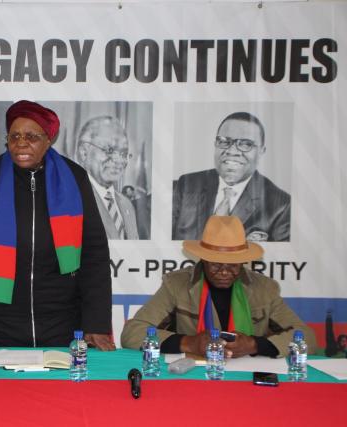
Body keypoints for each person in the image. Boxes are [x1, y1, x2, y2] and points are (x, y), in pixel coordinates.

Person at [0, 100, 115, 350]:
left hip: (62, 325)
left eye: (31, 136)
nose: (21, 143)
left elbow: (94, 254)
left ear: (49, 140)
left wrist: (97, 325)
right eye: (14, 136)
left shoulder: (74, 178)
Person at [121, 215, 316, 358]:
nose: (224, 272)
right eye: (215, 264)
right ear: (203, 260)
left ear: (243, 262)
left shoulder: (264, 289)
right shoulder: (176, 285)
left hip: (247, 380)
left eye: (232, 265)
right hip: (193, 379)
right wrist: (189, 343)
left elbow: (307, 337)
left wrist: (255, 345)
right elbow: (132, 332)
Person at [172, 112, 290, 242]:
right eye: (224, 141)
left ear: (261, 151)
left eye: (246, 144)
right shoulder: (186, 184)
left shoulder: (280, 205)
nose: (232, 151)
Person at [76, 116, 150, 240]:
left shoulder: (127, 205)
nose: (118, 160)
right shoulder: (71, 200)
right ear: (84, 152)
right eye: (109, 150)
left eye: (123, 153)